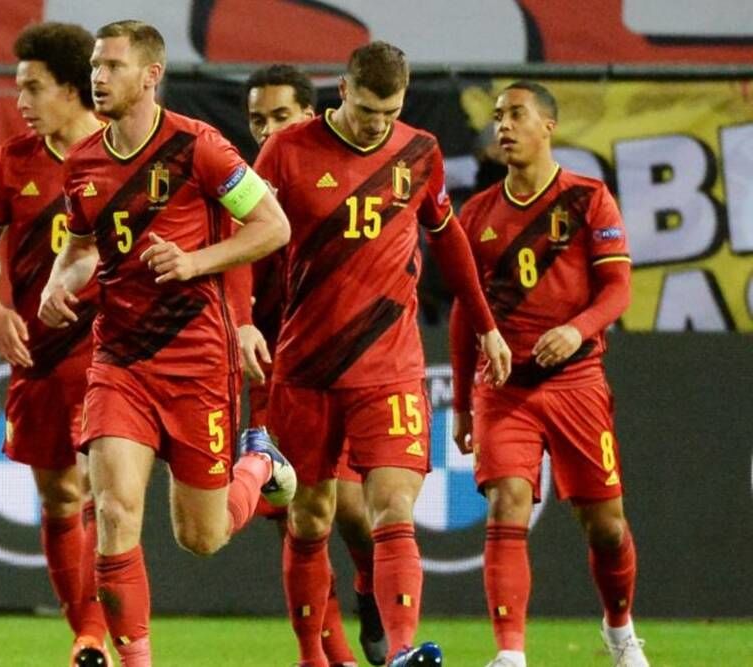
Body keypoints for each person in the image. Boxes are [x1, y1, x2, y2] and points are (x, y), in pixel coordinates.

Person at [38, 20, 295, 667]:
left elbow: (273, 226)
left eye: (113, 66)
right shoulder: (82, 163)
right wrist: (56, 282)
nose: (99, 78)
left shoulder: (200, 147)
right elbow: (81, 247)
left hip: (198, 362)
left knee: (201, 536)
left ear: (151, 75)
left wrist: (195, 261)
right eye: (95, 66)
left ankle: (259, 465)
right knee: (114, 510)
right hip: (119, 360)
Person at [253, 41, 511, 667]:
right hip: (306, 367)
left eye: (390, 112)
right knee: (309, 518)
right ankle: (315, 657)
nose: (378, 124)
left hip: (389, 366)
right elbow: (246, 244)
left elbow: (447, 240)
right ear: (342, 90)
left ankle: (400, 652)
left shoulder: (419, 152)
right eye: (368, 110)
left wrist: (486, 326)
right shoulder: (285, 151)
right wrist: (237, 322)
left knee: (393, 508)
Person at [450, 81, 648, 667]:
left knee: (605, 525)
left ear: (548, 126)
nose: (503, 126)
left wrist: (577, 329)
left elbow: (618, 290)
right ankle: (511, 654)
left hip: (576, 383)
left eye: (517, 115)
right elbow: (465, 313)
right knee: (507, 502)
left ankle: (620, 631)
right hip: (503, 388)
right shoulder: (476, 214)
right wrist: (460, 403)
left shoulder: (588, 199)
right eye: (497, 117)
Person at [0, 22, 110, 666]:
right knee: (59, 497)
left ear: (71, 89)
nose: (20, 100)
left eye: (33, 87)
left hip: (110, 350)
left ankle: (106, 632)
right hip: (39, 355)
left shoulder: (122, 155)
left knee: (107, 494)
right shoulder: (9, 163)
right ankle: (85, 633)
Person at [236, 63, 386, 667]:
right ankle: (331, 656)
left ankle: (371, 583)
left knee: (351, 510)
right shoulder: (243, 191)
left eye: (280, 116)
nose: (267, 130)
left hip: (340, 363)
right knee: (296, 512)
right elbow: (232, 266)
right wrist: (240, 319)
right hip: (275, 365)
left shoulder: (339, 181)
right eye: (257, 119)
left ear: (308, 115)